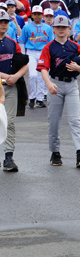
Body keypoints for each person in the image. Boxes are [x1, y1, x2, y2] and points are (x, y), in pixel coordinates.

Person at [37, 15, 80, 168]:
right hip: (55, 84)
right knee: (54, 121)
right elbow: (43, 68)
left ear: (69, 29)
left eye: (64, 27)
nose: (61, 29)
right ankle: (55, 152)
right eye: (58, 27)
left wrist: (78, 68)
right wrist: (48, 84)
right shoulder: (49, 47)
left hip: (72, 84)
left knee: (75, 120)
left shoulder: (75, 46)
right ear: (53, 29)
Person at [0, 9, 28, 172]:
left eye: (5, 22)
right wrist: (5, 76)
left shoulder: (12, 42)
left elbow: (25, 63)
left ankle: (8, 157)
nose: (3, 25)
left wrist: (16, 76)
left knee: (9, 122)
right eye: (1, 22)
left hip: (11, 87)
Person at [19, 5, 53, 109]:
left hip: (43, 52)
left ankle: (40, 99)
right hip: (31, 52)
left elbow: (50, 43)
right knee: (33, 75)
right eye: (35, 14)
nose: (37, 16)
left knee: (42, 76)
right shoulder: (27, 27)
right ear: (32, 15)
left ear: (42, 15)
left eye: (39, 14)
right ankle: (32, 97)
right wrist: (22, 55)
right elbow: (22, 41)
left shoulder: (47, 28)